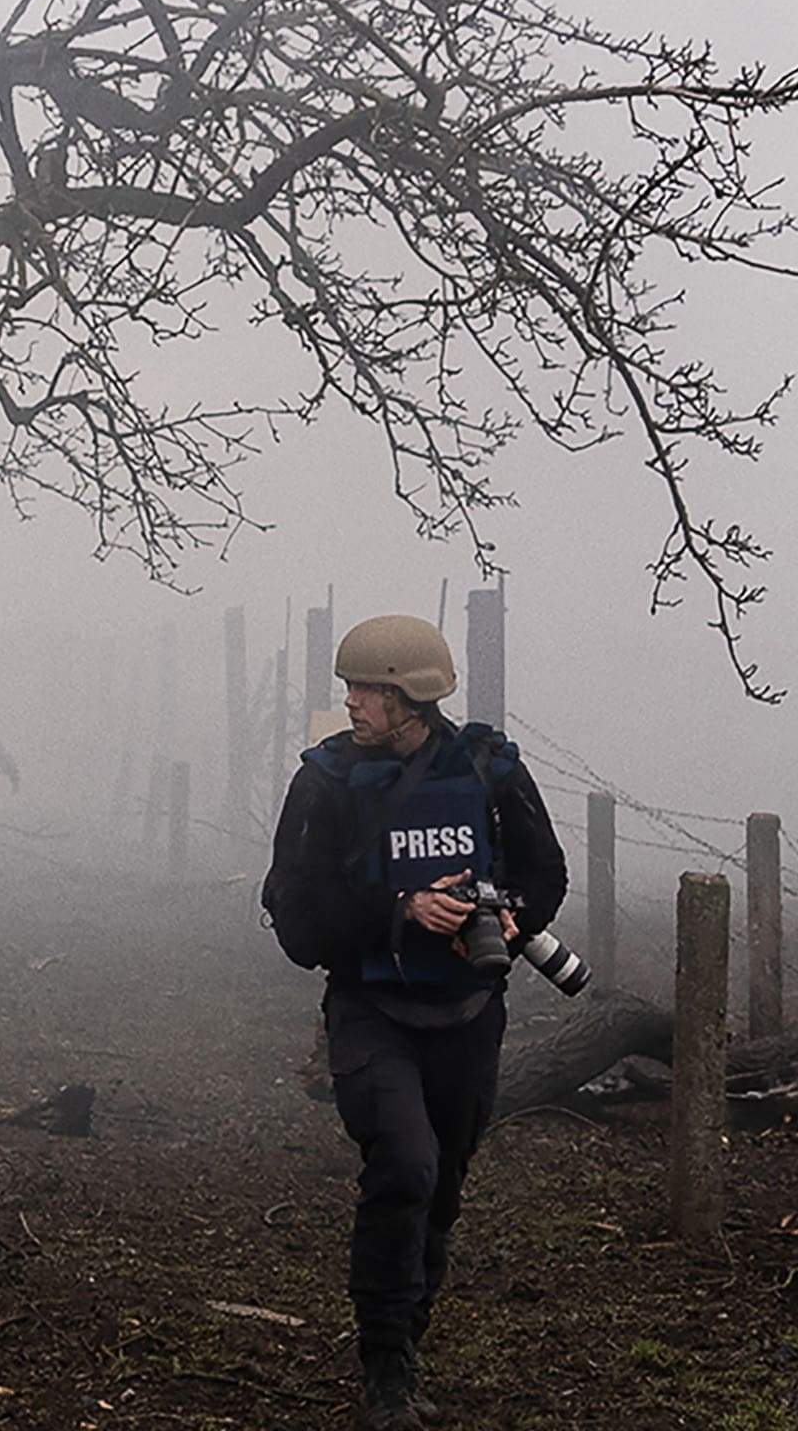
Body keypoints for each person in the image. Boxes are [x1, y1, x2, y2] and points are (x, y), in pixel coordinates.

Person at [260, 613, 569, 1431]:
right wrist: (398, 909)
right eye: (350, 687)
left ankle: (409, 1340)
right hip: (370, 1009)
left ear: (414, 698)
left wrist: (510, 919)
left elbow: (545, 873)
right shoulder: (324, 784)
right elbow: (295, 921)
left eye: (369, 690)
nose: (351, 702)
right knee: (404, 1165)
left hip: (469, 1011)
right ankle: (385, 1370)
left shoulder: (488, 770)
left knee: (443, 1185)